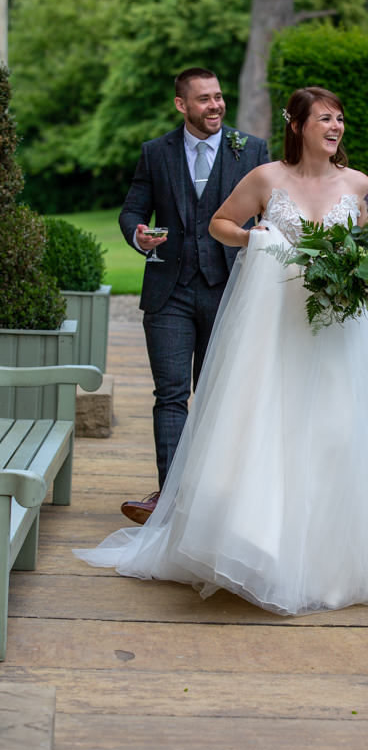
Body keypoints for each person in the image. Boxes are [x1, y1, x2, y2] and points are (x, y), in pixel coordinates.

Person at [75, 86, 368, 614]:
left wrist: (363, 276)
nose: (336, 128)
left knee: (338, 431)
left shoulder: (360, 186)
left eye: (341, 119)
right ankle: (260, 550)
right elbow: (220, 223)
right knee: (268, 430)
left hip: (335, 332)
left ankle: (335, 562)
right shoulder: (266, 178)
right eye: (326, 119)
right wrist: (255, 238)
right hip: (275, 330)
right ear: (299, 125)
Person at [117, 67, 269, 524]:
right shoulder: (155, 152)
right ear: (182, 104)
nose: (215, 105)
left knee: (219, 395)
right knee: (171, 395)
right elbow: (132, 211)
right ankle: (171, 497)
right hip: (169, 292)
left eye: (219, 97)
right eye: (204, 99)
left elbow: (273, 209)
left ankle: (216, 497)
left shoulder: (251, 149)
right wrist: (138, 235)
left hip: (229, 291)